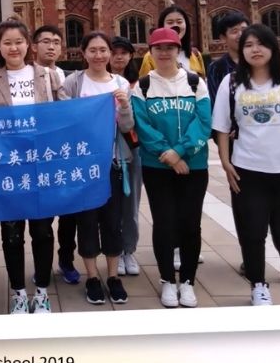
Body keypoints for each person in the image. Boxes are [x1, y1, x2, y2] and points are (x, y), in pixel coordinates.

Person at [208, 13, 280, 293]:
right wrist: (225, 162)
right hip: (247, 171)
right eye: (249, 45)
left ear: (273, 48)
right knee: (252, 234)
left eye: (261, 44)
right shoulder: (231, 82)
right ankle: (258, 288)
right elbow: (221, 127)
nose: (255, 49)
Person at [0, 18, 67, 314]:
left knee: (42, 232)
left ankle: (41, 291)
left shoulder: (47, 76)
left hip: (41, 167)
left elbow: (66, 115)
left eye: (18, 41)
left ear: (28, 44)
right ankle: (17, 292)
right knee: (11, 234)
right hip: (8, 170)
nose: (13, 47)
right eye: (7, 42)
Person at [131, 28, 211, 308]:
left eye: (170, 47)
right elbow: (142, 126)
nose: (164, 53)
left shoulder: (194, 83)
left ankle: (187, 280)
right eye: (158, 47)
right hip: (158, 166)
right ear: (150, 52)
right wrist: (167, 153)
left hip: (194, 165)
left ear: (178, 51)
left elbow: (203, 122)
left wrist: (179, 152)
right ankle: (167, 279)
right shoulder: (142, 86)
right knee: (164, 223)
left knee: (191, 224)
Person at [61, 32, 134, 305]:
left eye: (103, 49)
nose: (99, 55)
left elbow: (127, 127)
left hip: (112, 163)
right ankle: (92, 277)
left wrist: (124, 105)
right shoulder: (74, 82)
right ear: (83, 53)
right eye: (93, 50)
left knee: (113, 222)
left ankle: (113, 276)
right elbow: (63, 120)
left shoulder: (121, 83)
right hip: (82, 166)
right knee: (87, 222)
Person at [31, 24, 80, 285]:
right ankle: (42, 265)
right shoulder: (26, 77)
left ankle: (66, 259)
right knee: (42, 218)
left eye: (56, 42)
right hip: (38, 155)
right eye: (46, 41)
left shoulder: (70, 78)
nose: (51, 46)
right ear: (34, 46)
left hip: (65, 153)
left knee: (68, 216)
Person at [108, 36, 142, 277]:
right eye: (114, 52)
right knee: (111, 208)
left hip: (131, 149)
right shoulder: (99, 82)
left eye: (124, 52)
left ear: (131, 56)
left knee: (130, 204)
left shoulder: (140, 85)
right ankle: (114, 250)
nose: (118, 56)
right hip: (104, 152)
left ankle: (128, 250)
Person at [138, 5, 206, 78]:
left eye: (179, 22)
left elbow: (203, 82)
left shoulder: (196, 55)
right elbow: (144, 85)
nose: (175, 26)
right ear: (162, 26)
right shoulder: (150, 57)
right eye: (170, 22)